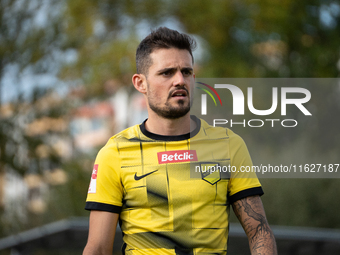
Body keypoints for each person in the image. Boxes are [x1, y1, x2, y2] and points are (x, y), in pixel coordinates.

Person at [83, 27, 277, 255]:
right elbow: (97, 248)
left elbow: (259, 231)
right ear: (140, 83)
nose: (179, 80)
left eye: (186, 72)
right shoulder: (114, 153)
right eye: (167, 73)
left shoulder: (228, 144)